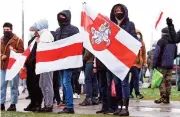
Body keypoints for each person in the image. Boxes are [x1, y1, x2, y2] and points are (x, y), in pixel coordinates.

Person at [110, 4, 139, 116]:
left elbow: (134, 39)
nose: (118, 12)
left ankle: (125, 108)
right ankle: (119, 106)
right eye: (116, 10)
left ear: (124, 12)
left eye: (120, 10)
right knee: (116, 83)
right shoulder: (111, 25)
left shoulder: (130, 24)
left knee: (124, 83)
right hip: (113, 59)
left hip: (125, 59)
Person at [55, 10, 79, 114]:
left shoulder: (74, 29)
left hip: (69, 61)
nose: (61, 18)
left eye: (63, 16)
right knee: (63, 84)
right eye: (60, 16)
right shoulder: (57, 30)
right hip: (60, 61)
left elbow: (77, 44)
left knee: (66, 82)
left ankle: (70, 106)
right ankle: (67, 104)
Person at [31, 19, 54, 112]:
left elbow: (46, 50)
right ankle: (47, 103)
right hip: (43, 64)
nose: (34, 32)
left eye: (35, 29)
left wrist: (39, 42)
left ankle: (49, 105)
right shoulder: (42, 36)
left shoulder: (46, 35)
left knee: (47, 84)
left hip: (47, 64)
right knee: (42, 84)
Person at [0, 22, 24, 111]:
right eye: (4, 29)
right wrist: (1, 55)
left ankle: (13, 104)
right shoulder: (1, 39)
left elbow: (22, 53)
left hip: (13, 66)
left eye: (8, 29)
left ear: (11, 29)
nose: (6, 31)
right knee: (2, 85)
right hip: (3, 66)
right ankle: (1, 103)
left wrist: (13, 50)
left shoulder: (18, 40)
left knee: (14, 86)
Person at [153, 27, 177, 104]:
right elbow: (175, 55)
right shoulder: (174, 42)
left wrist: (154, 64)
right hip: (170, 65)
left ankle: (163, 96)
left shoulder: (161, 41)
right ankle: (167, 98)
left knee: (160, 81)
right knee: (168, 81)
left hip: (161, 65)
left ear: (163, 33)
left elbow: (156, 53)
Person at [24, 26, 43, 112]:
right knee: (30, 85)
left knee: (37, 86)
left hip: (37, 66)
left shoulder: (41, 40)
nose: (31, 32)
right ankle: (32, 102)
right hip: (29, 66)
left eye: (33, 30)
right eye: (30, 30)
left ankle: (38, 104)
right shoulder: (30, 41)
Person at [130, 30, 147, 99]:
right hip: (133, 64)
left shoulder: (142, 43)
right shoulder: (131, 42)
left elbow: (144, 53)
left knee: (133, 80)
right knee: (136, 78)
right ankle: (137, 93)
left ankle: (130, 93)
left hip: (140, 64)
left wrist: (145, 62)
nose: (138, 35)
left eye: (139, 34)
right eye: (136, 34)